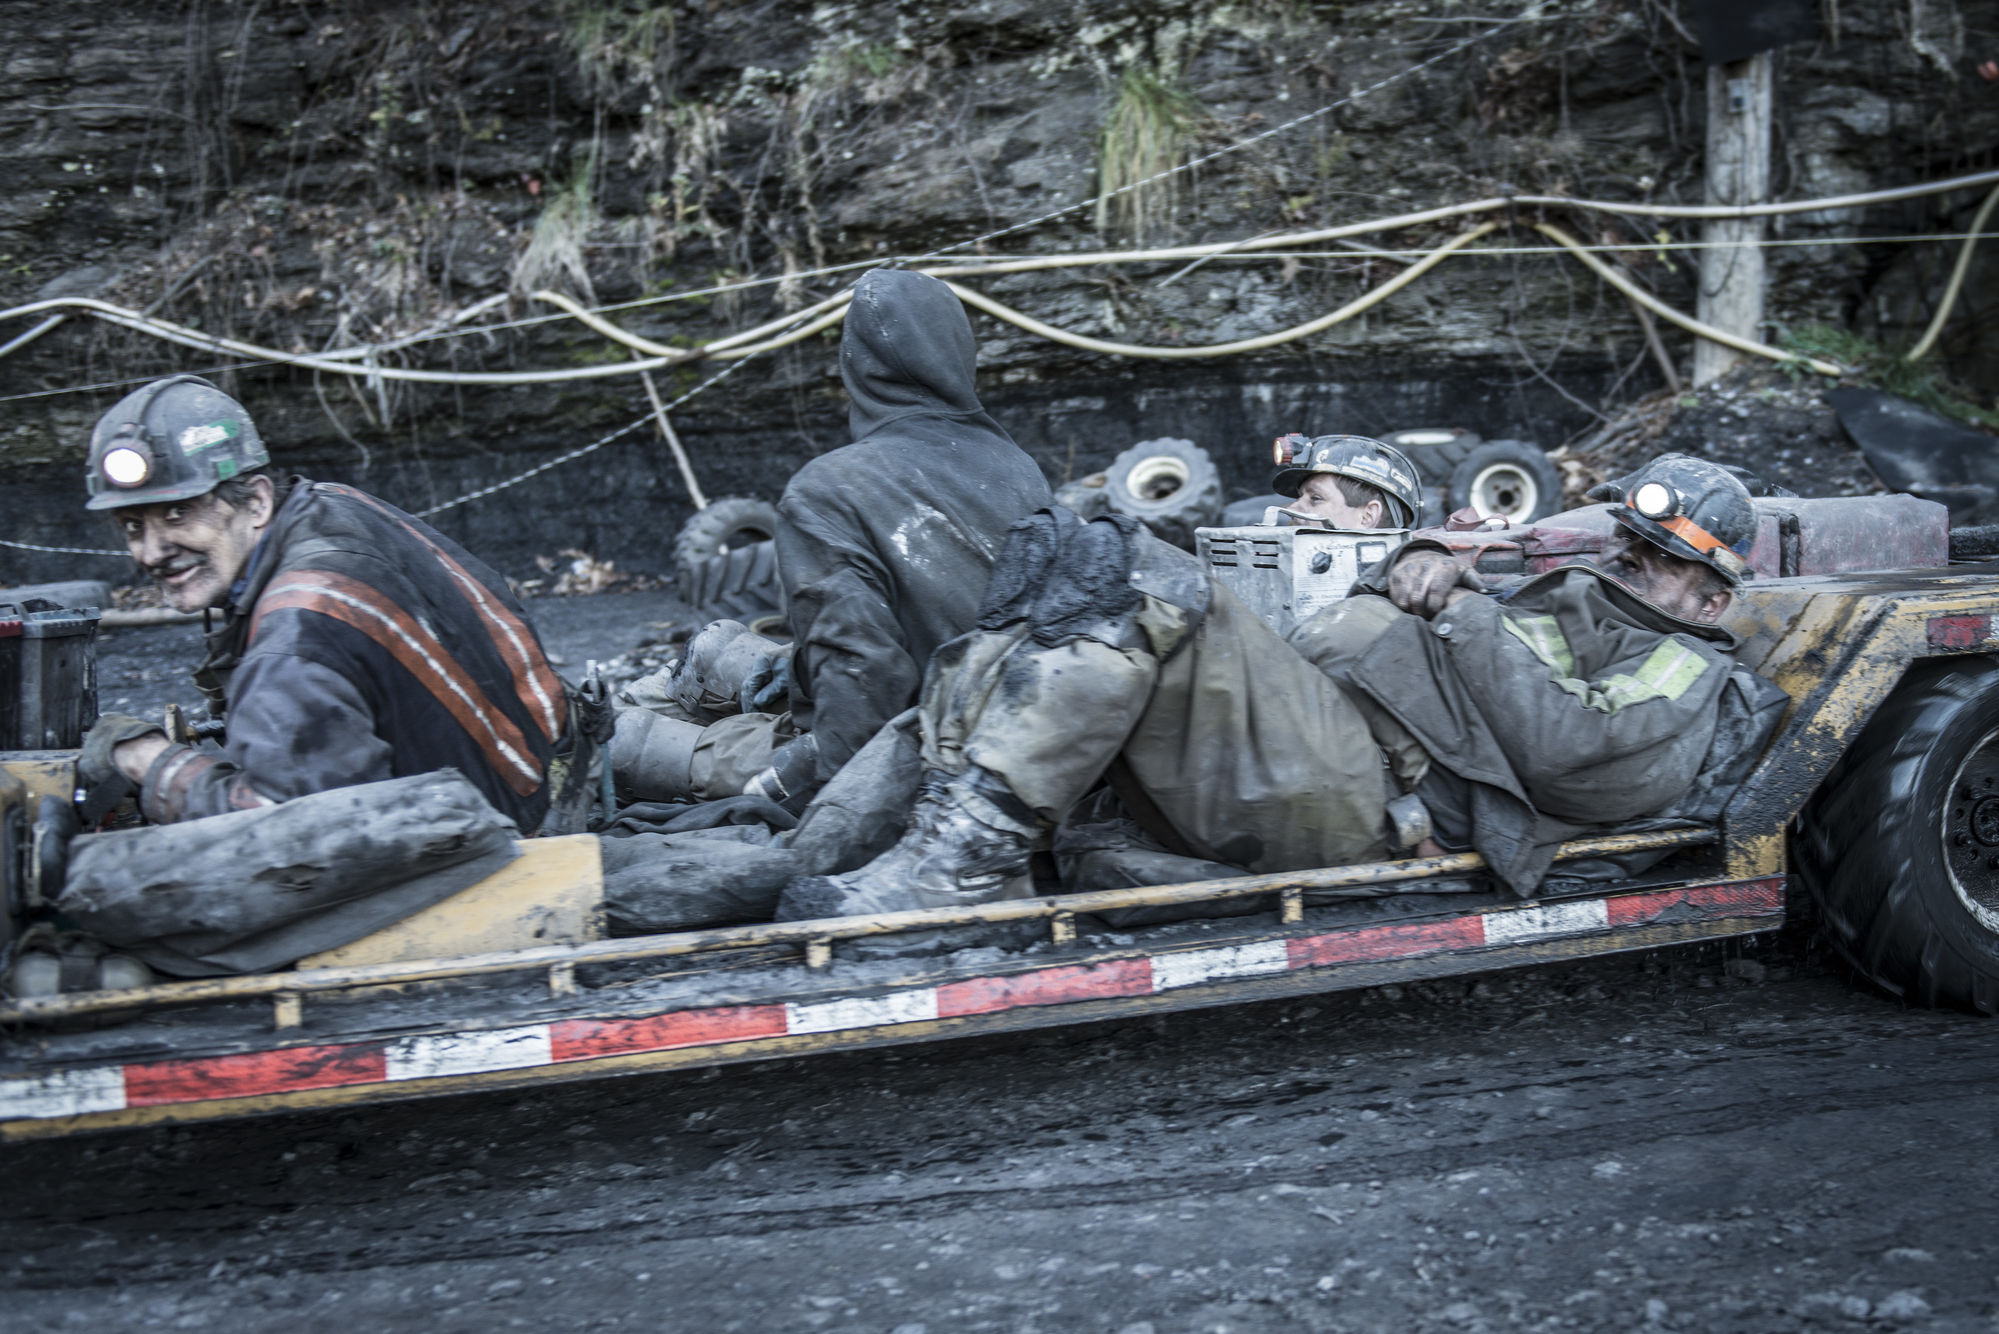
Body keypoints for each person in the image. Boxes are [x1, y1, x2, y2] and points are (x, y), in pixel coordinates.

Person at [777, 453, 1778, 920]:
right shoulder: (1580, 603)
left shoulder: (1686, 668)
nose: (1634, 565)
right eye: (1634, 545)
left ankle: (956, 868)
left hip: (1373, 788)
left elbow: (1569, 750)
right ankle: (841, 849)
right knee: (1060, 569)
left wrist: (1457, 603)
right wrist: (1430, 555)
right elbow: (1481, 595)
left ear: (1709, 596)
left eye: (1662, 563)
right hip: (1334, 736)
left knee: (1136, 570)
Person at [606, 267, 1051, 814]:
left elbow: (865, 674)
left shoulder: (828, 491)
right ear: (962, 353)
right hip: (1014, 733)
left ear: (857, 366)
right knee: (718, 647)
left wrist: (816, 789)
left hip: (903, 756)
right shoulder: (1018, 468)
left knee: (623, 740)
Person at [76, 374, 567, 832]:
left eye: (178, 513)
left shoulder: (294, 640)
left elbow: (293, 834)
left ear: (256, 503)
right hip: (543, 775)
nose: (151, 551)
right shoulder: (331, 505)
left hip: (497, 843)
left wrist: (154, 764)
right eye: (134, 526)